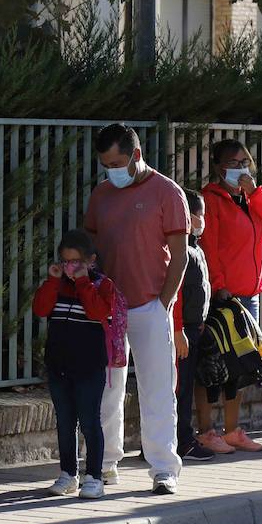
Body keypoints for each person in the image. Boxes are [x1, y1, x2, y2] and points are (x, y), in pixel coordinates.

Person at [84, 122, 189, 495]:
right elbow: (91, 250)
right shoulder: (101, 196)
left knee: (158, 388)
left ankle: (163, 468)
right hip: (108, 309)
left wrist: (163, 304)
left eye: (117, 162)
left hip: (148, 306)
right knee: (107, 388)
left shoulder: (168, 193)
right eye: (105, 163)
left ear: (137, 155)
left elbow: (180, 257)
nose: (111, 170)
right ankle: (105, 463)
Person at [196, 140, 262, 453]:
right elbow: (210, 246)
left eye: (244, 161)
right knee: (213, 364)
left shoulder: (253, 198)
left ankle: (232, 429)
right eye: (233, 163)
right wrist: (219, 286)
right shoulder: (212, 198)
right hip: (224, 295)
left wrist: (256, 193)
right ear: (220, 168)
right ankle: (206, 430)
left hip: (250, 296)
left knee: (244, 364)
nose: (240, 168)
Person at [32, 229, 117, 498]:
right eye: (65, 261)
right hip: (59, 366)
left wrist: (83, 283)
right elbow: (41, 309)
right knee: (64, 421)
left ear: (90, 260)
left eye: (76, 262)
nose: (70, 267)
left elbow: (98, 311)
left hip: (89, 367)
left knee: (90, 421)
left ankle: (94, 476)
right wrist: (52, 281)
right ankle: (68, 473)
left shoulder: (103, 285)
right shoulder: (57, 285)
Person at [172, 190, 216, 462]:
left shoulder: (195, 247)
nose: (201, 219)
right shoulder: (180, 250)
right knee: (180, 389)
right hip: (182, 330)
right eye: (197, 214)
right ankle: (182, 440)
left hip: (191, 326)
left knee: (185, 386)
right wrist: (183, 328)